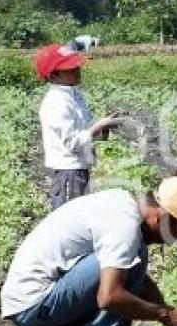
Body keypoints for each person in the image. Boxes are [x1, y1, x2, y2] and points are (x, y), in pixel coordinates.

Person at [0, 177, 177, 326]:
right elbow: (109, 298)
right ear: (162, 216)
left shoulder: (123, 205)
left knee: (130, 262)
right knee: (126, 270)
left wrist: (169, 313)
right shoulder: (124, 227)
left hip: (35, 300)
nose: (173, 240)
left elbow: (131, 276)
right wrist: (164, 314)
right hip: (34, 306)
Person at [35, 42, 120, 210]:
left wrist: (104, 128)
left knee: (79, 217)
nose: (77, 70)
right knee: (69, 220)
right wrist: (99, 125)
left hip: (79, 170)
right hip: (69, 172)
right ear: (53, 76)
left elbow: (87, 131)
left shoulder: (74, 95)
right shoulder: (57, 102)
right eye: (70, 69)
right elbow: (73, 143)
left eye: (76, 66)